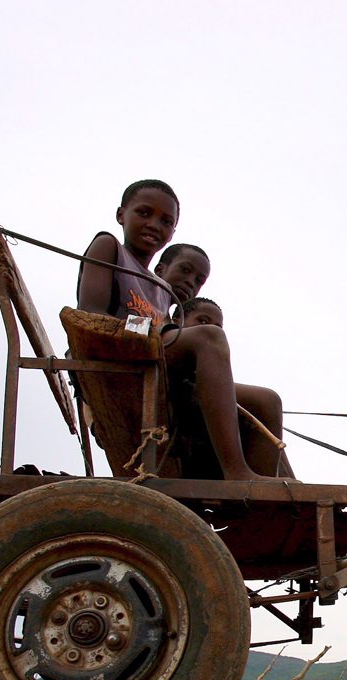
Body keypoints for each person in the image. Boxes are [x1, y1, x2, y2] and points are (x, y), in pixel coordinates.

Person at [77, 180, 288, 481]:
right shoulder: (109, 246)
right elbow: (92, 315)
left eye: (166, 221)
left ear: (172, 232)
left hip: (159, 373)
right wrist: (150, 330)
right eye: (144, 213)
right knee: (210, 336)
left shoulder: (160, 289)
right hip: (120, 364)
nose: (154, 225)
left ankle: (259, 506)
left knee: (267, 401)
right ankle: (237, 472)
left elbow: (165, 335)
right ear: (121, 214)